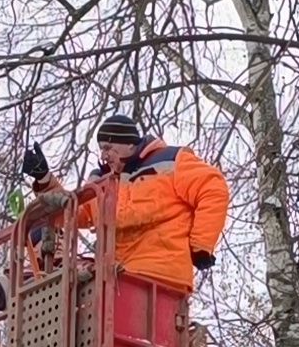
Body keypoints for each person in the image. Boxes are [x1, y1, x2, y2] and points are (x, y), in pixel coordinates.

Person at [23, 113, 230, 293]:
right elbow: (73, 212)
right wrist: (45, 180)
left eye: (108, 148)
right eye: (101, 150)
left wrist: (201, 246)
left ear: (129, 143)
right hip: (117, 278)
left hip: (161, 276)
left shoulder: (170, 161)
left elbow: (212, 189)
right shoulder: (103, 183)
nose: (104, 156)